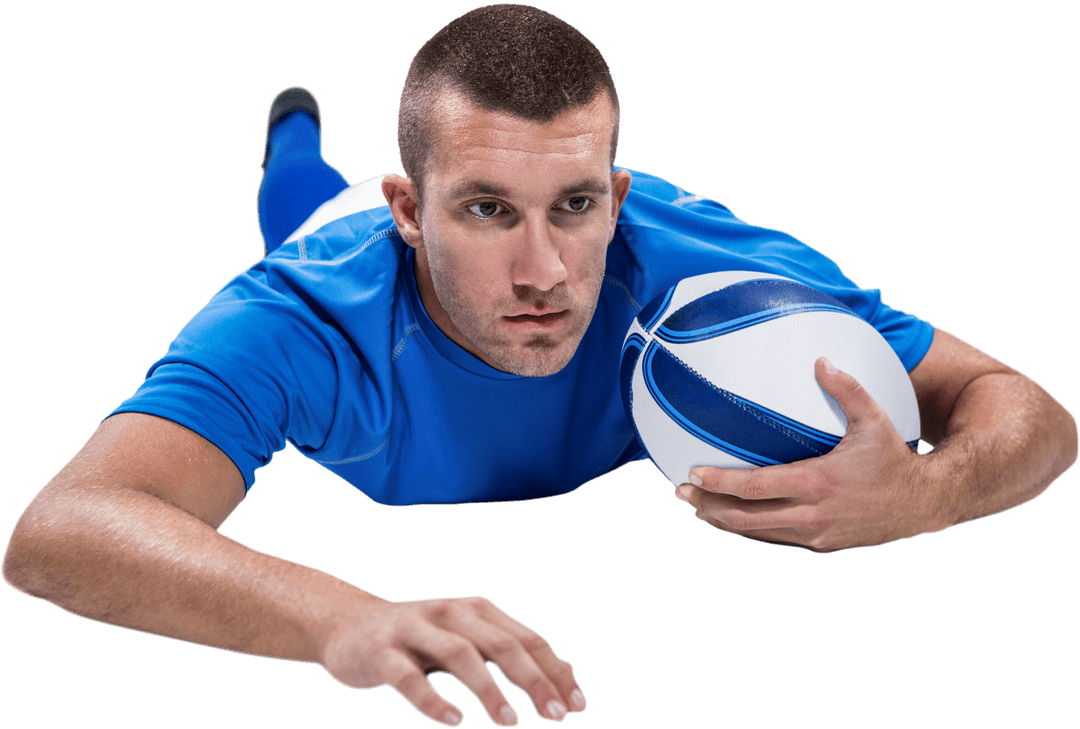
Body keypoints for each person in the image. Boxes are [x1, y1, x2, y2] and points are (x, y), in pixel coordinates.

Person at [2, 5, 1076, 728]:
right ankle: (291, 135)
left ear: (614, 190)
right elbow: (58, 534)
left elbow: (1028, 408)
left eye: (576, 204)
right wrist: (341, 618)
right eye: (485, 210)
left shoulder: (705, 271)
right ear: (413, 214)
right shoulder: (308, 313)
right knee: (293, 194)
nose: (544, 271)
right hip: (323, 224)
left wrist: (932, 493)